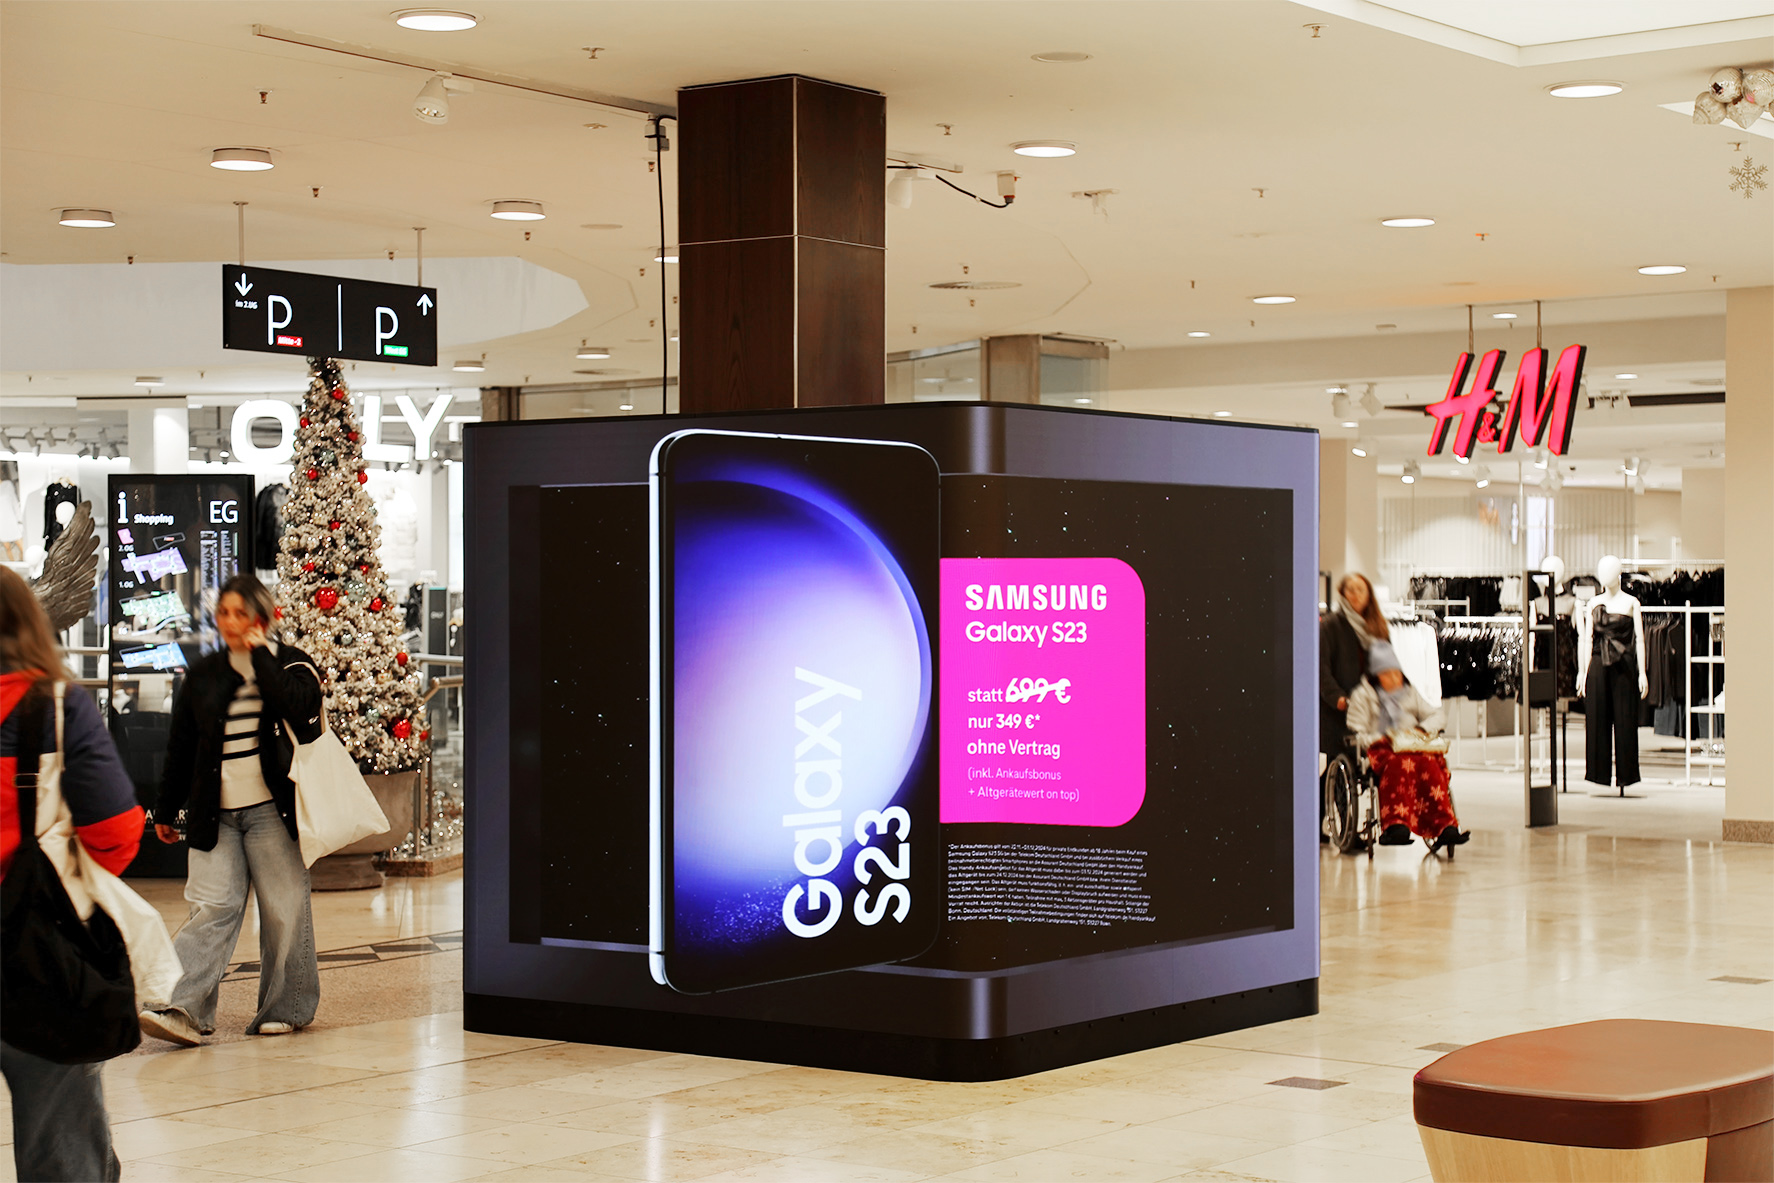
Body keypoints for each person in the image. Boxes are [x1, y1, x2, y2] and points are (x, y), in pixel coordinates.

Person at [1, 566, 143, 1182]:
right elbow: (115, 828)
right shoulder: (56, 707)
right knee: (62, 1142)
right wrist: (68, 884)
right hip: (40, 946)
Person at [138, 574, 324, 1046]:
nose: (230, 622)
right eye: (224, 612)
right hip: (214, 814)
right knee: (212, 909)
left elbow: (299, 708)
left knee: (284, 910)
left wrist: (260, 656)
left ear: (262, 616)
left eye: (241, 613)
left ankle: (286, 1008)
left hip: (273, 811)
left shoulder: (292, 664)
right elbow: (182, 746)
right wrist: (166, 810)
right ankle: (182, 1007)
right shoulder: (204, 674)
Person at [1347, 640, 1469, 854]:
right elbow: (1358, 731)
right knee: (1398, 765)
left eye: (1396, 673)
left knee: (1430, 764)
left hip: (1415, 744)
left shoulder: (1410, 692)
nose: (1394, 679)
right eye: (1387, 674)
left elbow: (1437, 714)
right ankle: (1396, 825)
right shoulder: (1362, 697)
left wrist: (1421, 729)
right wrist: (1387, 737)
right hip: (1384, 748)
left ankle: (1445, 825)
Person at [1320, 573, 1387, 841]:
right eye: (1350, 590)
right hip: (1339, 710)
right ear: (1343, 594)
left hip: (1370, 709)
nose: (1356, 595)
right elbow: (1321, 668)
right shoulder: (1331, 625)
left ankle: (1319, 820)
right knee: (1341, 765)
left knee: (1356, 768)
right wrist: (1337, 697)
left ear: (1369, 594)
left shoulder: (1377, 626)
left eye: (1361, 590)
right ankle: (1346, 829)